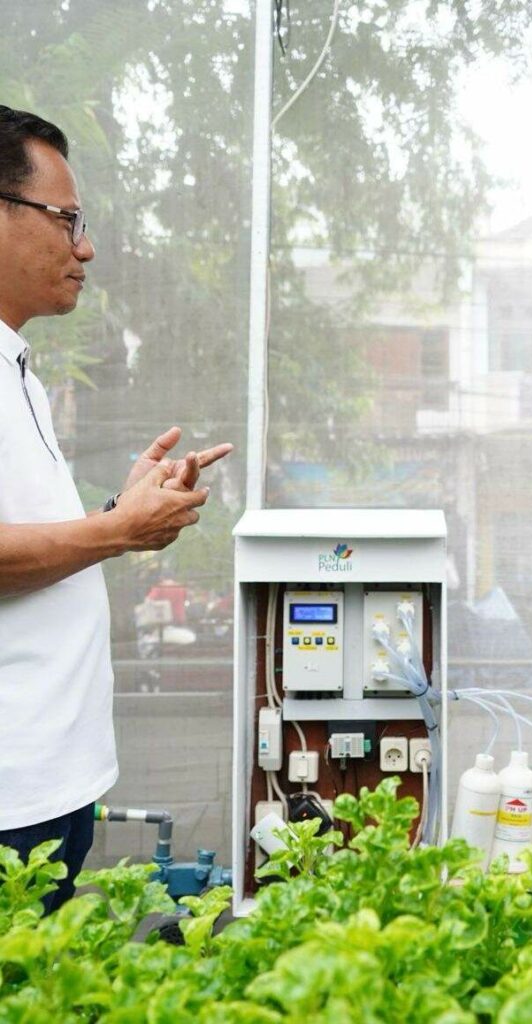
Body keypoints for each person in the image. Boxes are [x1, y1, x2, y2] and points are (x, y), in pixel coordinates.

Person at [0, 105, 233, 912]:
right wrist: (116, 531)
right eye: (67, 221)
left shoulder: (18, 369)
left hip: (48, 779)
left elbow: (26, 531)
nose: (85, 248)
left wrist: (118, 514)